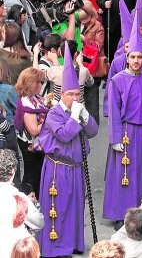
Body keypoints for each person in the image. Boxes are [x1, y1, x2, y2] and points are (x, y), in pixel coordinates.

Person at [103, 16, 142, 228]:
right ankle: (123, 215)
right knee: (125, 175)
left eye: (140, 56)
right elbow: (113, 111)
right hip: (127, 132)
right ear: (127, 58)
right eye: (133, 57)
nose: (137, 60)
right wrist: (115, 138)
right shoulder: (117, 80)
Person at [37, 42, 98, 258]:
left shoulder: (79, 110)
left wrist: (85, 117)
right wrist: (74, 118)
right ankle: (56, 247)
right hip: (58, 169)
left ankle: (72, 243)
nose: (74, 98)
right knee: (58, 209)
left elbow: (93, 131)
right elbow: (63, 135)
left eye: (76, 94)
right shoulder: (54, 114)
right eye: (70, 94)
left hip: (76, 167)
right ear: (62, 94)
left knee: (74, 207)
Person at [14, 67, 47, 197]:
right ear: (32, 84)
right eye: (39, 82)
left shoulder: (35, 97)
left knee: (38, 174)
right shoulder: (26, 103)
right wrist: (49, 121)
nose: (41, 85)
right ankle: (29, 204)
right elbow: (33, 130)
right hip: (30, 145)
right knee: (32, 176)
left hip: (36, 144)